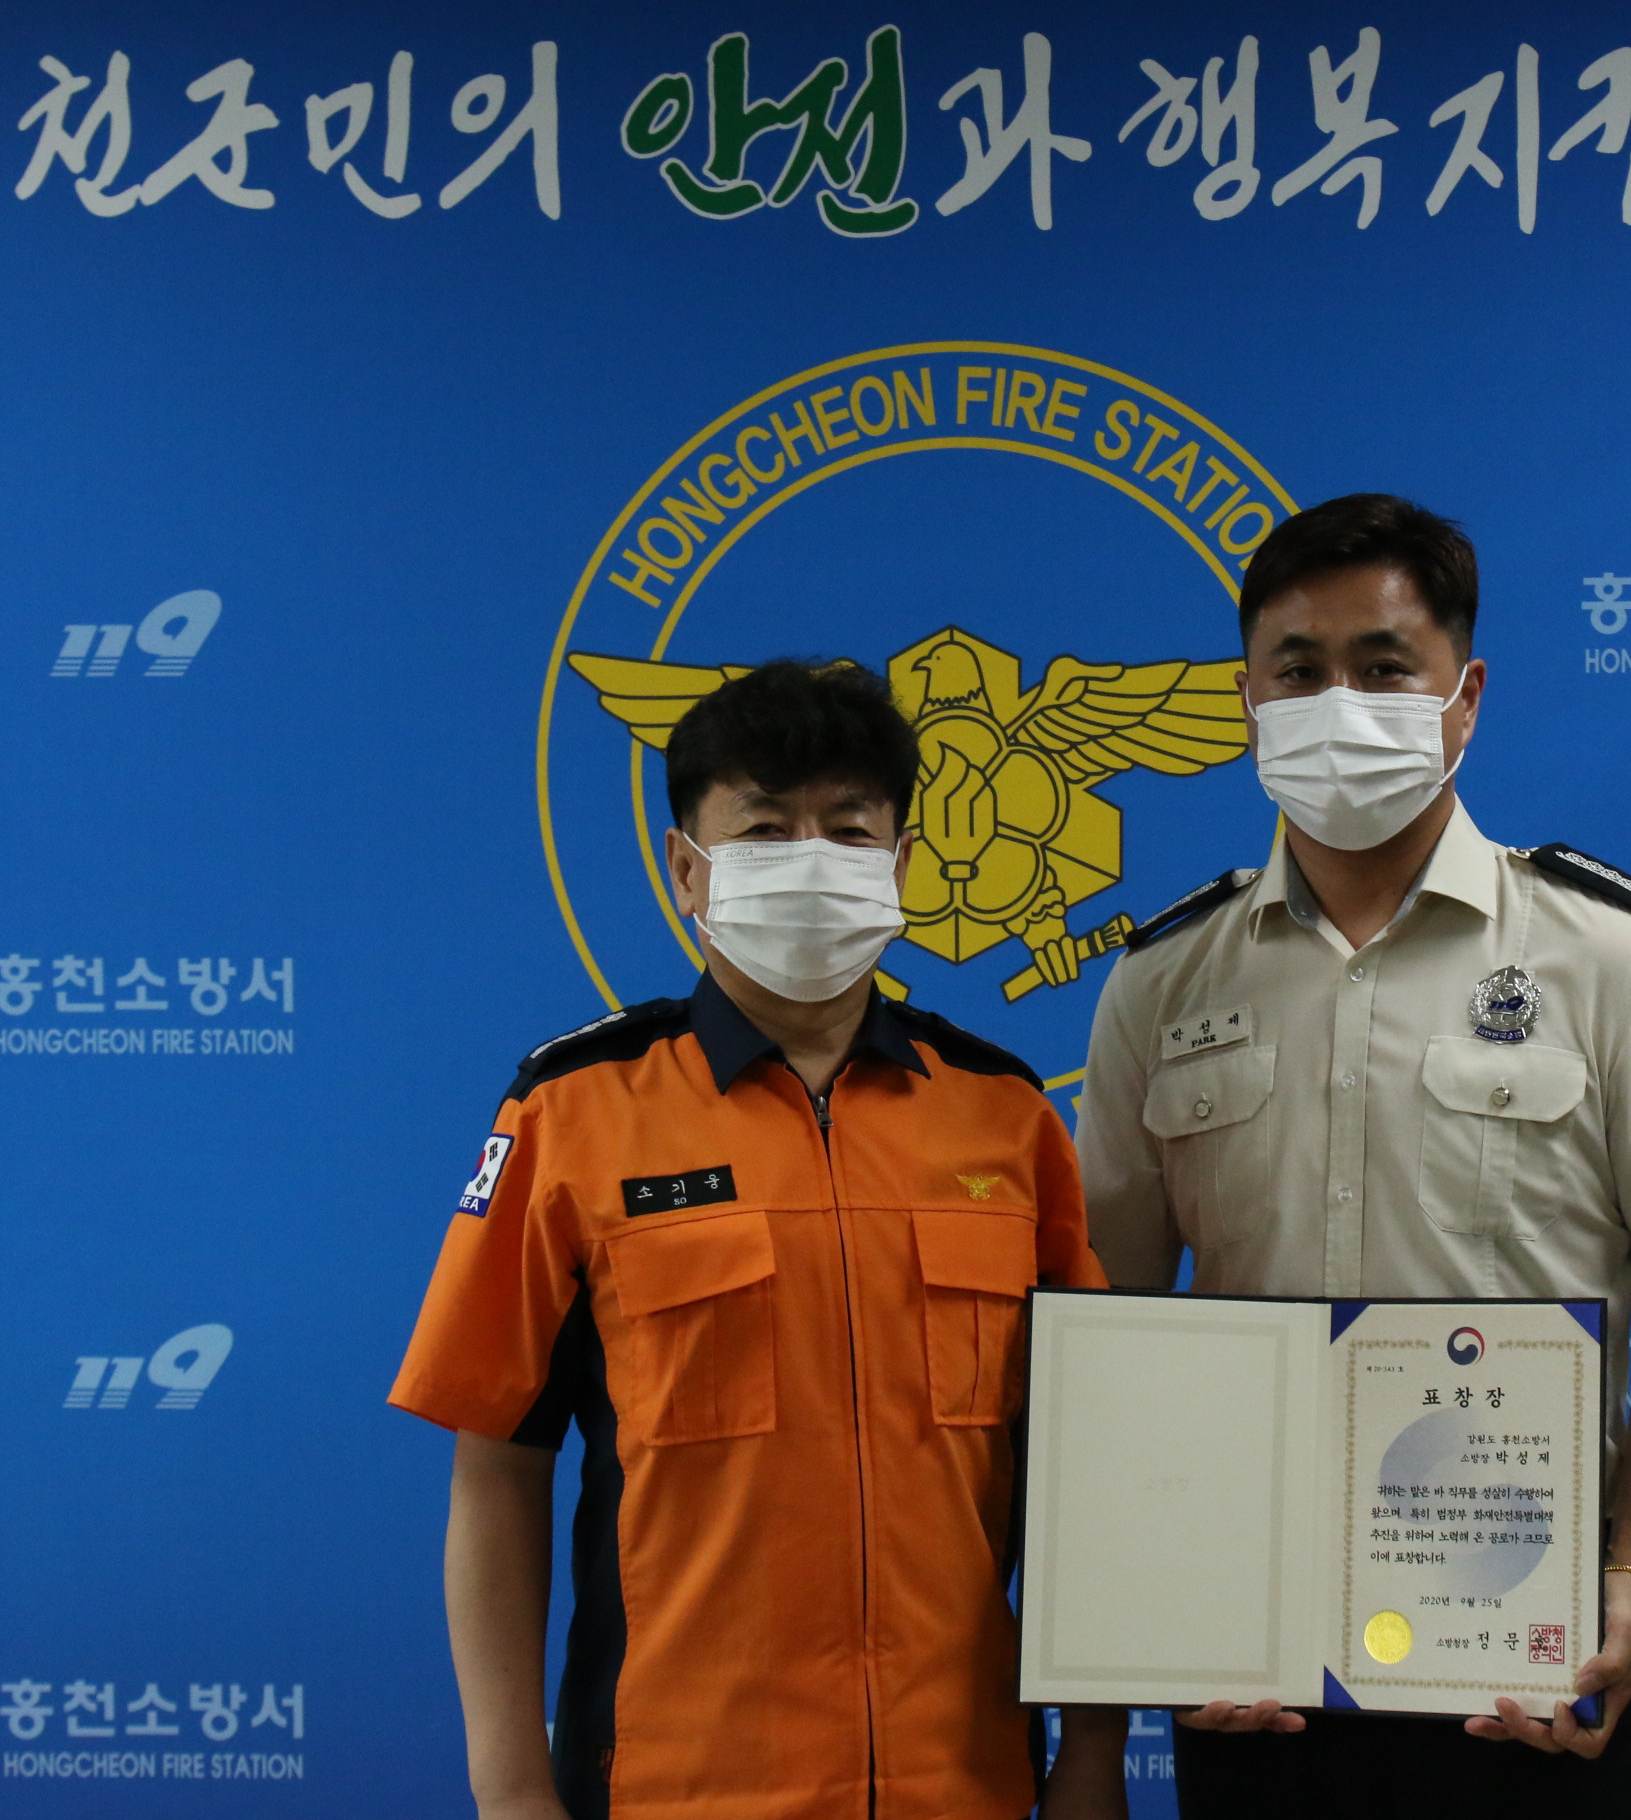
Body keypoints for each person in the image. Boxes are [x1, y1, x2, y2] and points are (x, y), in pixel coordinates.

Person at [1075, 495, 1631, 1818]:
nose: (1338, 703)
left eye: (1383, 666)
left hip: (1524, 1670)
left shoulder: (1609, 953)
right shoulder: (1164, 982)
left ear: (1464, 700)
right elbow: (1107, 1329)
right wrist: (1147, 1613)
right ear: (1247, 701)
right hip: (1253, 1662)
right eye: (1299, 671)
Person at [390, 660, 1128, 1820]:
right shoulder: (572, 1109)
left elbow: (1086, 1466)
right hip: (676, 1783)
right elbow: (498, 1466)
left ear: (901, 865)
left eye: (848, 830)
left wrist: (1092, 1751)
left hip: (964, 1783)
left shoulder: (1004, 1112)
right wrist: (512, 1785)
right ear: (688, 867)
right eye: (767, 829)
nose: (810, 861)